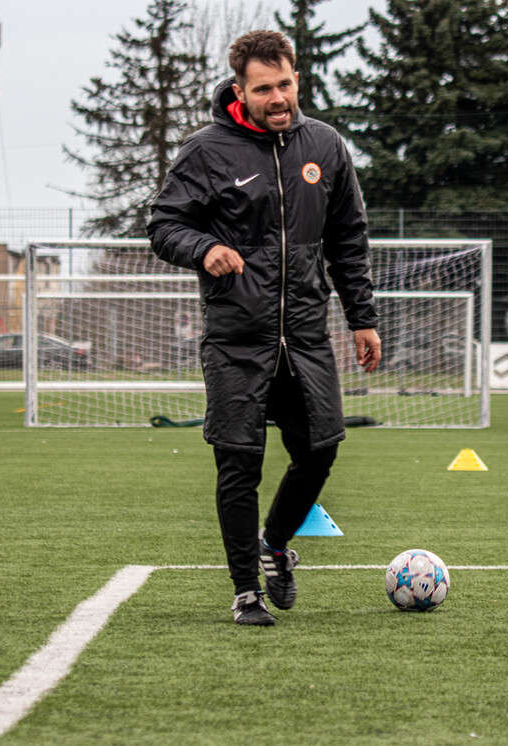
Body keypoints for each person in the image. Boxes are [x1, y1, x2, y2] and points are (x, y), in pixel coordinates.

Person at [148, 30, 381, 626]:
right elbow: (164, 224)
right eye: (263, 89)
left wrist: (362, 319)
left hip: (304, 335)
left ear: (296, 79)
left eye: (284, 85)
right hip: (236, 337)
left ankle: (274, 543)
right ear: (240, 89)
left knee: (320, 448)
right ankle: (246, 590)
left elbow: (348, 240)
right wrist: (203, 249)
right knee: (238, 461)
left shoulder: (325, 146)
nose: (276, 98)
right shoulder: (207, 151)